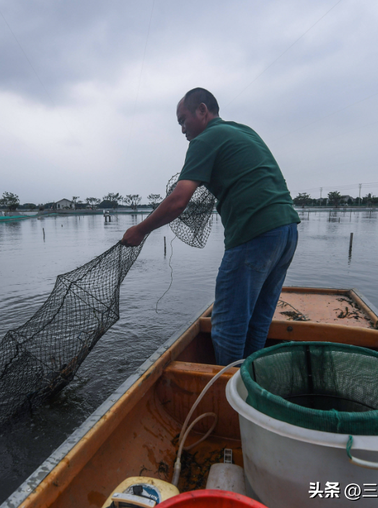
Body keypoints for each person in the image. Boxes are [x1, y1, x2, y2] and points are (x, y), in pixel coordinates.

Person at [121, 88, 300, 365]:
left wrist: (140, 230)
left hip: (254, 234)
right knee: (258, 321)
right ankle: (249, 388)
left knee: (228, 327)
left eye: (183, 120)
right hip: (287, 231)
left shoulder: (204, 140)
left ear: (203, 110)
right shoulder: (244, 131)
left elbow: (178, 201)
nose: (182, 129)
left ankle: (227, 397)